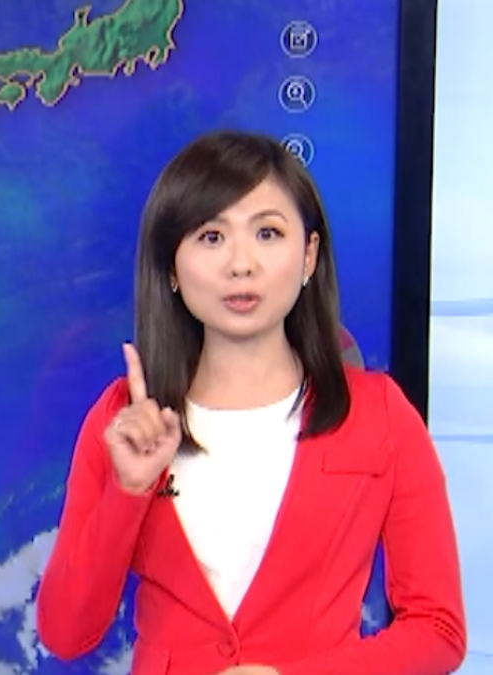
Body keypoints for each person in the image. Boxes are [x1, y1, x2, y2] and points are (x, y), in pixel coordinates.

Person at [35, 130, 466, 675]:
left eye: (267, 233)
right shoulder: (124, 418)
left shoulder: (379, 414)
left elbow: (438, 629)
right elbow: (66, 634)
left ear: (308, 256)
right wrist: (128, 490)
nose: (241, 264)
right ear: (171, 267)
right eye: (211, 236)